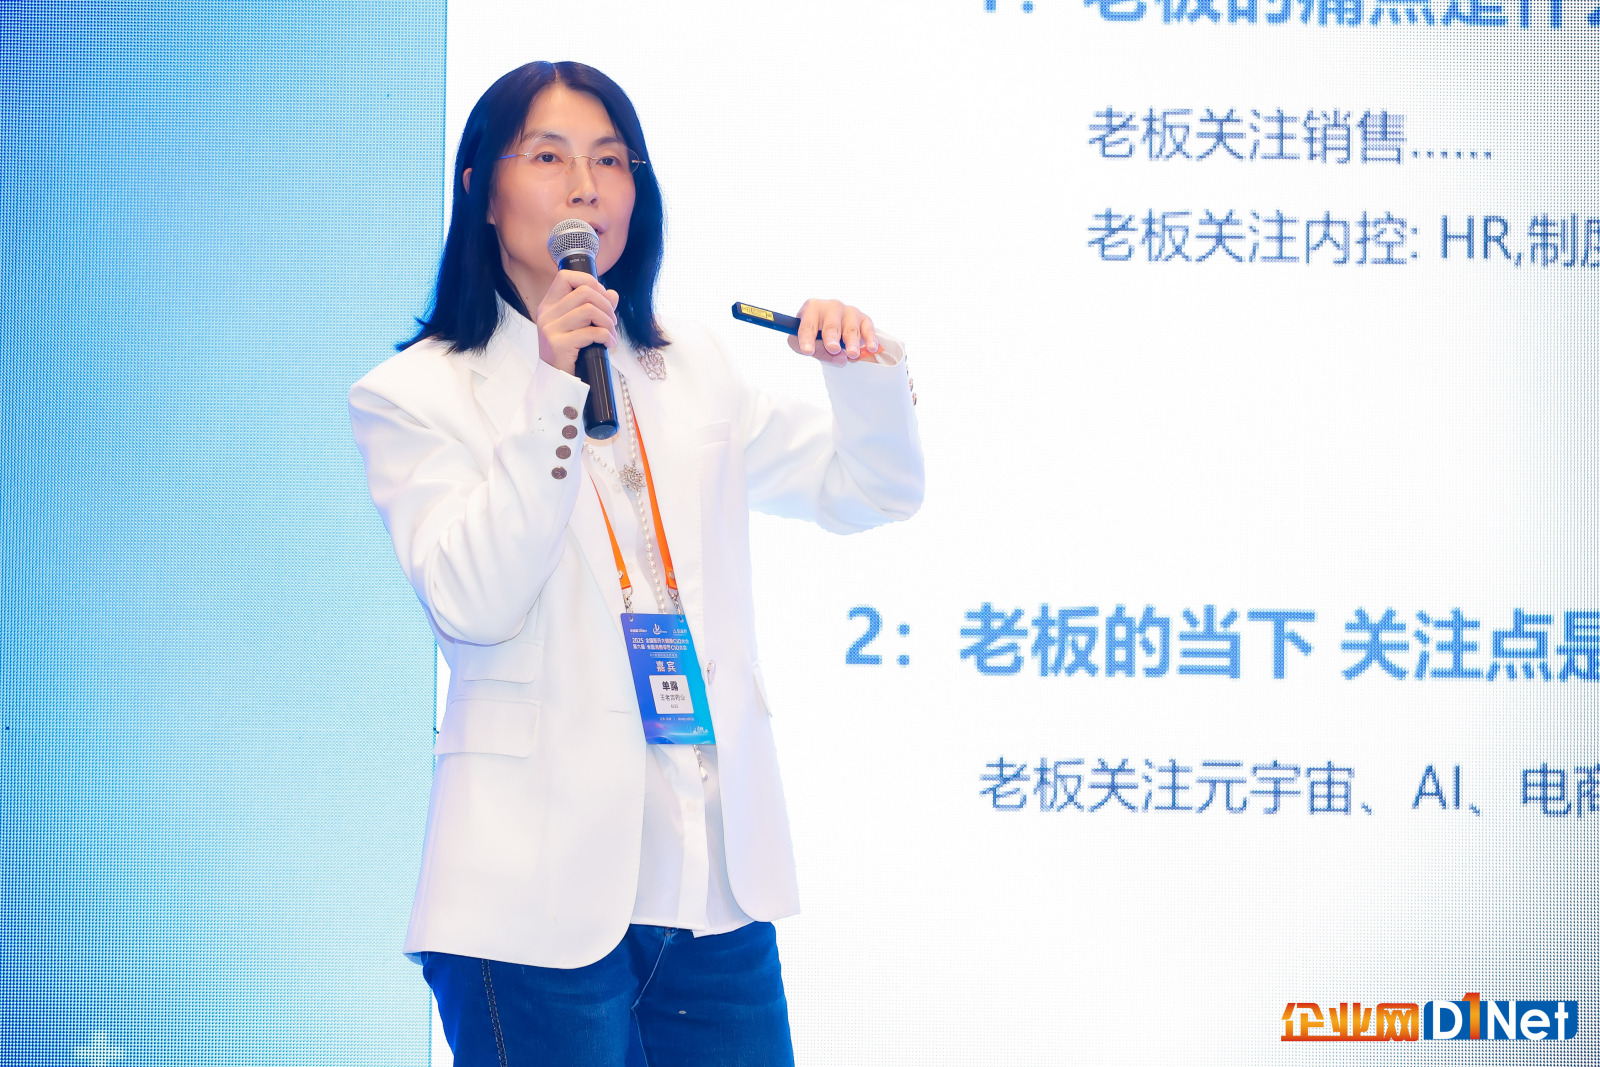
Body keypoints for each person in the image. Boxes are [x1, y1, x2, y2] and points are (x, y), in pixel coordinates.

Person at [348, 60, 923, 1067]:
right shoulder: (413, 394)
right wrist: (553, 392)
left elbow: (869, 490)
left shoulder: (688, 362)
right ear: (482, 188)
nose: (586, 187)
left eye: (611, 161)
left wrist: (865, 375)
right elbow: (474, 602)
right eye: (550, 157)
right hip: (528, 900)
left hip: (711, 890)